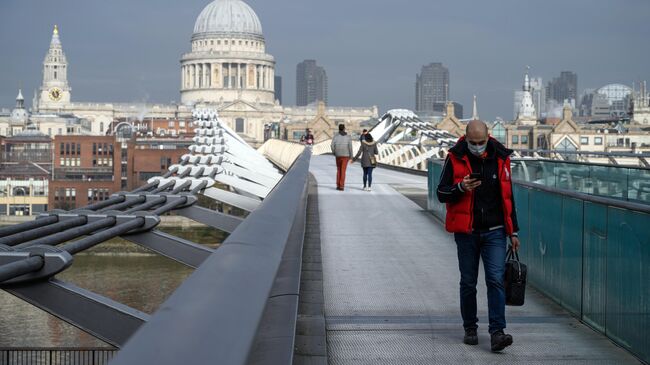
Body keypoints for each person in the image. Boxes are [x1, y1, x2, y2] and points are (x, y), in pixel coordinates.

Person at [436, 120, 521, 352]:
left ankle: (497, 332)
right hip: (467, 232)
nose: (477, 147)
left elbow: (508, 196)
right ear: (465, 138)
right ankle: (470, 328)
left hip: (495, 231)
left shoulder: (501, 157)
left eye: (481, 142)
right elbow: (441, 193)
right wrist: (461, 188)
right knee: (468, 282)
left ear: (488, 137)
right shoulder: (454, 157)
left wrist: (513, 231)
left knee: (495, 279)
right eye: (472, 143)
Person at [330, 124, 353, 191]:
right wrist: (351, 157)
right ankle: (341, 186)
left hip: (338, 155)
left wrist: (334, 152)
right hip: (346, 156)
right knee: (343, 171)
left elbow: (332, 145)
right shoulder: (348, 137)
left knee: (339, 170)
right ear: (344, 129)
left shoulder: (335, 137)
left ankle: (338, 185)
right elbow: (350, 147)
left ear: (339, 129)